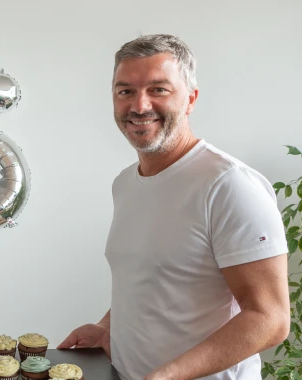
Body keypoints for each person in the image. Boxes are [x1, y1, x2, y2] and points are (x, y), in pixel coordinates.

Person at [57, 34, 290, 380]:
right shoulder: (125, 183)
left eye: (158, 90)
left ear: (191, 98)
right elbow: (151, 279)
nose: (139, 106)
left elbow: (270, 319)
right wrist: (108, 327)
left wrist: (166, 375)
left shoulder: (230, 185)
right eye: (125, 91)